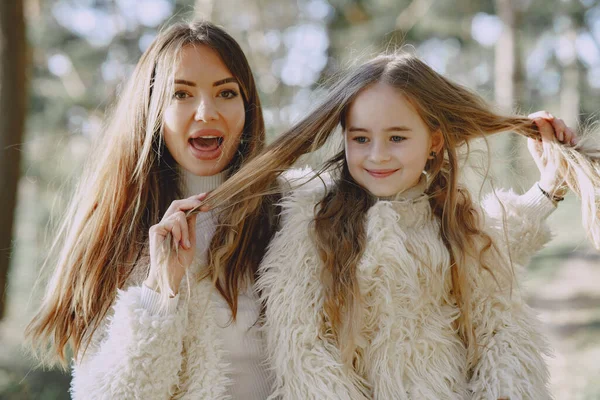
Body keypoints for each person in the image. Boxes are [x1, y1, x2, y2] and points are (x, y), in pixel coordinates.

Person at [196, 53, 600, 399]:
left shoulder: (454, 218)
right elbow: (302, 346)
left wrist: (549, 187)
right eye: (360, 139)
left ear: (435, 142)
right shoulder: (312, 221)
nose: (377, 156)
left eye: (397, 138)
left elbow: (497, 317)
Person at [25, 21, 278, 399]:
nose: (206, 112)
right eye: (181, 94)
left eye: (226, 92)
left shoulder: (293, 217)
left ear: (247, 105)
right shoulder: (116, 233)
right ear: (151, 108)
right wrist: (159, 292)